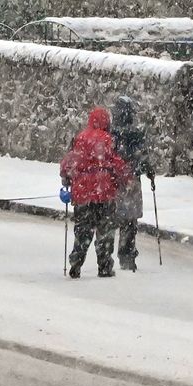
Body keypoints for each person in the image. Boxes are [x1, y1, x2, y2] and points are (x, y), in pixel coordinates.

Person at [60, 107, 131, 279]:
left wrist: (66, 176)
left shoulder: (80, 138)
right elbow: (115, 162)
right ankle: (105, 265)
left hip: (83, 193)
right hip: (104, 192)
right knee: (105, 232)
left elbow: (70, 161)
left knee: (83, 230)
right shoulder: (108, 140)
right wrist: (125, 176)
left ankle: (76, 262)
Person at [110, 96, 155, 271]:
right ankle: (127, 253)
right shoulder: (136, 135)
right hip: (132, 181)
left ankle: (109, 254)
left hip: (115, 181)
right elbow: (142, 158)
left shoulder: (111, 134)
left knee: (115, 217)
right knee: (130, 220)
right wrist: (149, 171)